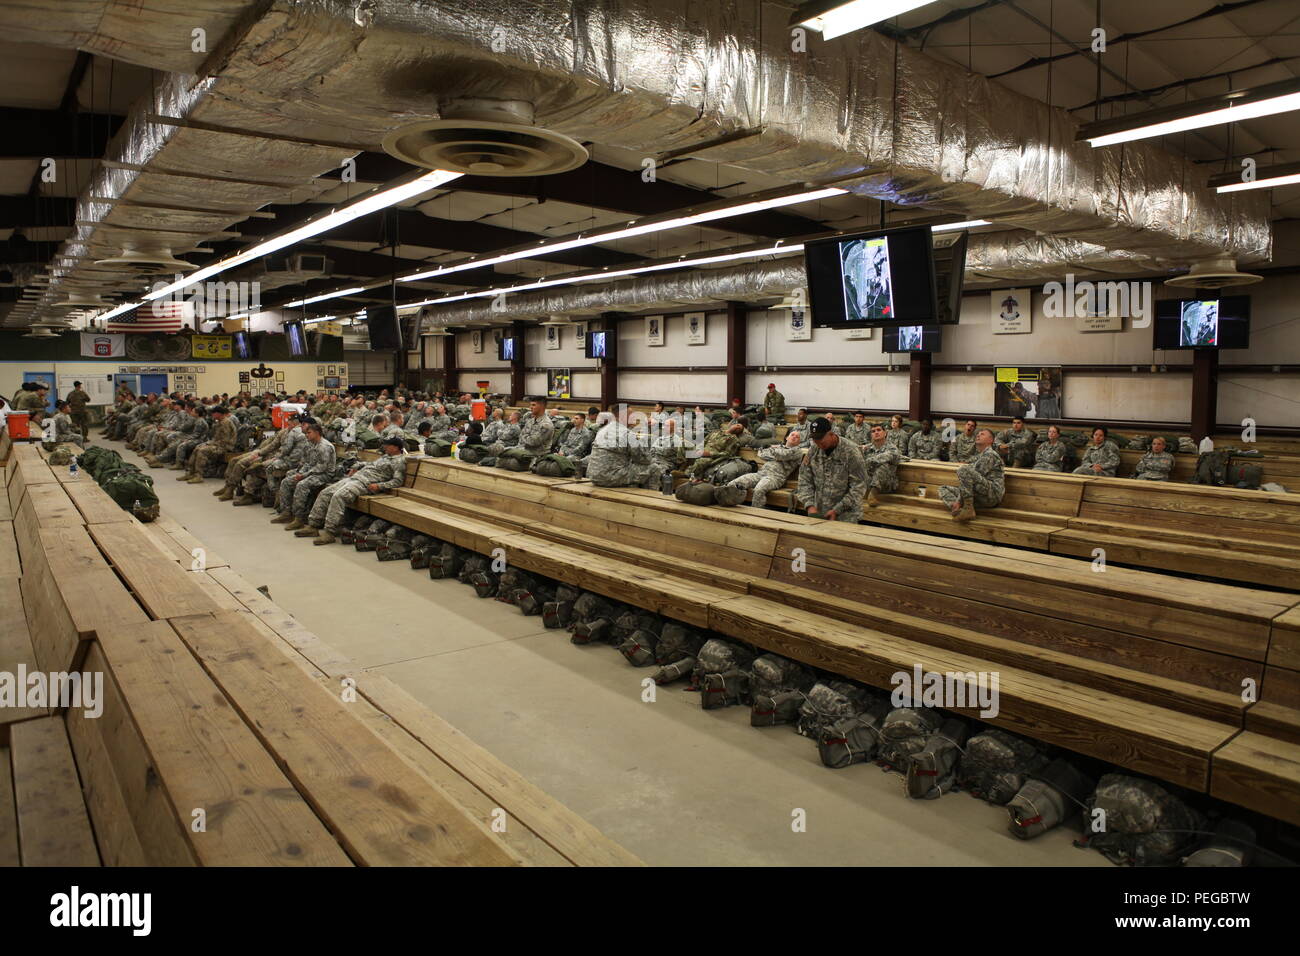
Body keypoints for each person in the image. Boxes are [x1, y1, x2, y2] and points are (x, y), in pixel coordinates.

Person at [297, 436, 408, 545]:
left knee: (339, 496)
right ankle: (313, 525)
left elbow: (397, 481)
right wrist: (357, 465)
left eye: (388, 445)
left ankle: (329, 532)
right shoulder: (386, 457)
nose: (385, 447)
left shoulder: (399, 461)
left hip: (366, 484)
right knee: (325, 492)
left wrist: (379, 486)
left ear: (396, 448)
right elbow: (372, 465)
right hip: (355, 478)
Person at [795, 417, 867, 523]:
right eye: (815, 440)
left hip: (846, 514)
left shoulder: (851, 452)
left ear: (831, 434)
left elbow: (859, 487)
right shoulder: (814, 450)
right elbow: (804, 480)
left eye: (821, 440)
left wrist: (837, 510)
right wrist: (810, 506)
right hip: (819, 512)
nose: (818, 443)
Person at [273, 423, 338, 531]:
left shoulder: (325, 446)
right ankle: (286, 513)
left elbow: (321, 468)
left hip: (324, 475)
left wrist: (303, 475)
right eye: (306, 433)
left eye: (309, 433)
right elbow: (307, 463)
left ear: (317, 433)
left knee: (302, 485)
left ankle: (299, 519)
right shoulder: (310, 444)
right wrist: (301, 473)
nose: (306, 435)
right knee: (286, 481)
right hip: (312, 472)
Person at [724, 429, 804, 509]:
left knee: (759, 490)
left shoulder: (797, 451)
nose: (794, 437)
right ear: (787, 437)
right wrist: (775, 454)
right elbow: (761, 454)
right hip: (761, 473)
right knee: (734, 483)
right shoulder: (779, 447)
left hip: (775, 477)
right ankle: (728, 505)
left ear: (799, 442)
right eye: (792, 435)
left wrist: (772, 450)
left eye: (797, 437)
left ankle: (757, 514)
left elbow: (783, 455)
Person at [939, 428, 1005, 522]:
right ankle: (958, 509)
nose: (978, 435)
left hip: (991, 495)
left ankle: (967, 508)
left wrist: (958, 500)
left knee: (963, 469)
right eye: (978, 434)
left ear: (991, 440)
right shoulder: (980, 456)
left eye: (982, 434)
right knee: (943, 489)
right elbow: (969, 482)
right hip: (979, 494)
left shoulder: (990, 454)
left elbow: (972, 479)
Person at [586, 407, 656, 488]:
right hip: (610, 477)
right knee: (654, 468)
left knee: (630, 467)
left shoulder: (602, 430)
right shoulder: (627, 434)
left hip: (593, 476)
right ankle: (649, 498)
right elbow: (645, 459)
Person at [183, 406, 238, 483]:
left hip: (225, 447)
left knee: (202, 451)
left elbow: (225, 440)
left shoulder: (226, 423)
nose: (212, 415)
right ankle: (191, 472)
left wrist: (211, 444)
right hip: (217, 444)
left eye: (213, 413)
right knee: (197, 448)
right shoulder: (219, 422)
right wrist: (209, 443)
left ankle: (199, 476)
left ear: (218, 414)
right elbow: (216, 438)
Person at [861, 423, 902, 507]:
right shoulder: (867, 449)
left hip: (887, 483)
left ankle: (873, 494)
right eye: (873, 431)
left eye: (879, 430)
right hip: (868, 481)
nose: (876, 432)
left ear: (885, 433)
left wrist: (868, 461)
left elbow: (890, 456)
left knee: (883, 466)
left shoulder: (892, 448)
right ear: (871, 435)